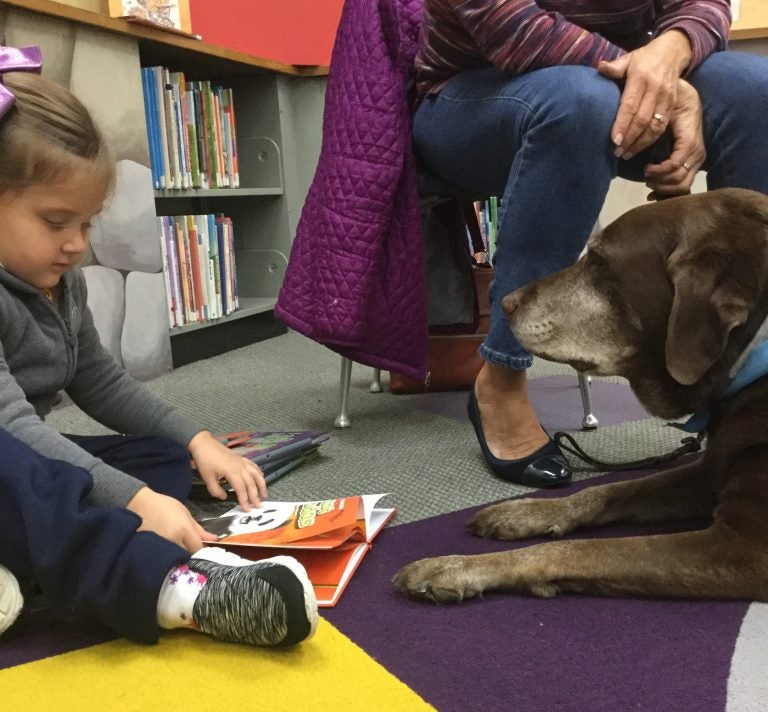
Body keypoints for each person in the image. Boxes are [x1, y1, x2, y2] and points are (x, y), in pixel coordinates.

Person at [0, 45, 317, 646]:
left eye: (87, 224)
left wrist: (198, 441)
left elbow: (98, 380)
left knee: (159, 459)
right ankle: (175, 592)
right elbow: (12, 426)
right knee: (37, 470)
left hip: (19, 462)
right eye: (56, 222)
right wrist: (137, 502)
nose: (77, 245)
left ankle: (34, 564)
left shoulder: (54, 284)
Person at [411, 1, 768, 487]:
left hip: (617, 80)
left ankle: (748, 378)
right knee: (580, 101)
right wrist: (663, 87)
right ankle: (501, 377)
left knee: (755, 90)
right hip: (470, 97)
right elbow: (511, 27)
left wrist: (670, 49)